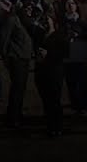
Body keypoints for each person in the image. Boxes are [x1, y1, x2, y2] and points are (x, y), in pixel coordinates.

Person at [0, 0, 35, 130]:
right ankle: (13, 117)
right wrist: (4, 55)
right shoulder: (12, 20)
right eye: (27, 7)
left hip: (24, 57)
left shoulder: (27, 21)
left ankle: (17, 113)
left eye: (31, 7)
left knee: (21, 88)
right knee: (17, 88)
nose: (29, 9)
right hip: (16, 57)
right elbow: (3, 38)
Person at [33, 8, 70, 137]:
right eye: (43, 22)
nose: (45, 24)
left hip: (55, 71)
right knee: (46, 101)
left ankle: (57, 126)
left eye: (47, 21)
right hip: (41, 72)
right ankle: (49, 125)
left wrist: (49, 54)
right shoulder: (39, 36)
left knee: (54, 100)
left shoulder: (59, 36)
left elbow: (65, 53)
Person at [61, 0, 87, 114]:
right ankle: (77, 106)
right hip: (67, 54)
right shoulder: (62, 22)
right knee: (71, 82)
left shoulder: (81, 21)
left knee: (83, 81)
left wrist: (78, 36)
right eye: (68, 3)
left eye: (72, 3)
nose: (70, 6)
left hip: (79, 53)